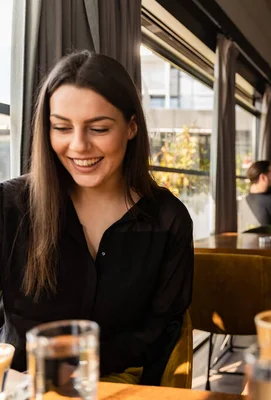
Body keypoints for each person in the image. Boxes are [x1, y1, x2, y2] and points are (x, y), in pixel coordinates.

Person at [0, 51, 193, 384]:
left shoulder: (168, 219)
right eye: (61, 127)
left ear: (131, 127)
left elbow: (162, 329)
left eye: (99, 129)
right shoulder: (10, 206)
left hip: (116, 385)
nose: (78, 146)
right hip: (22, 384)